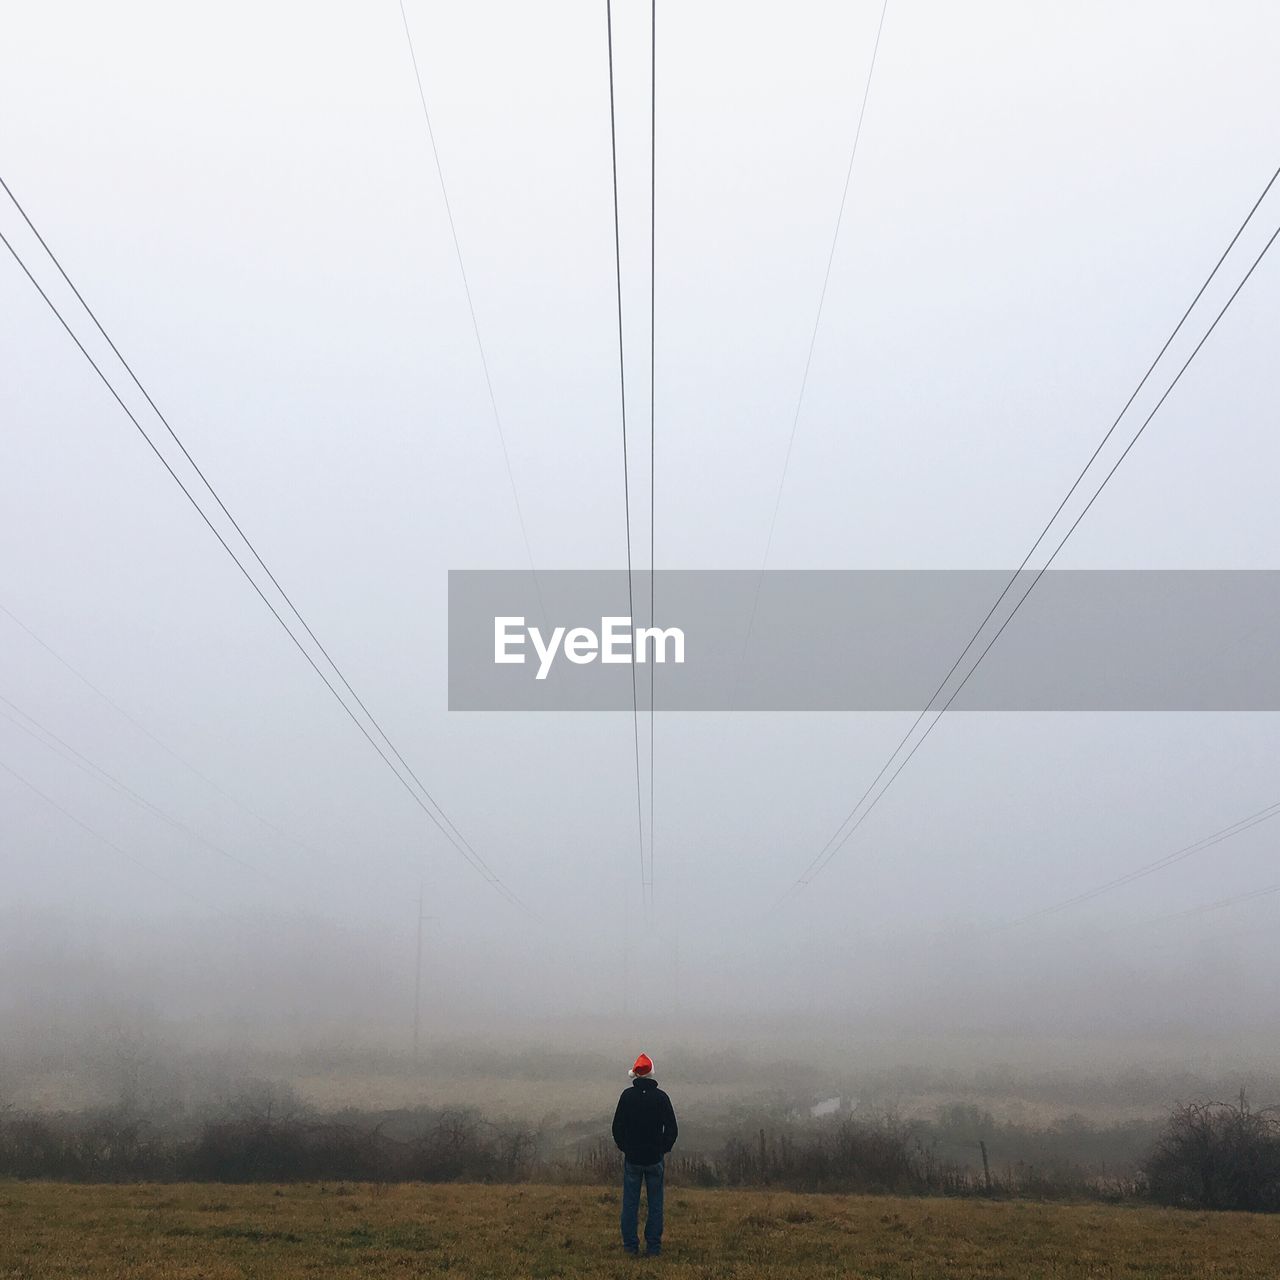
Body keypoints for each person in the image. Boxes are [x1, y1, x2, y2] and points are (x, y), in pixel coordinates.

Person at [611, 1052, 678, 1257]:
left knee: (630, 1204)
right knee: (655, 1204)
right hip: (654, 1159)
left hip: (633, 1159)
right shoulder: (661, 1097)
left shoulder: (627, 1096)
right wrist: (662, 1148)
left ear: (636, 1075)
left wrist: (626, 1148)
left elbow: (617, 1128)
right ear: (651, 1074)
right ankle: (653, 1248)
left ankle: (630, 1247)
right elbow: (672, 1129)